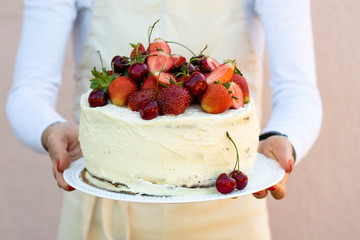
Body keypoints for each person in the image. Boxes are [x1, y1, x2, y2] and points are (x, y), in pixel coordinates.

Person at [6, 0, 322, 239]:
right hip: (101, 216)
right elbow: (28, 92)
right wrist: (49, 130)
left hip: (229, 210)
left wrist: (285, 137)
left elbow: (298, 89)